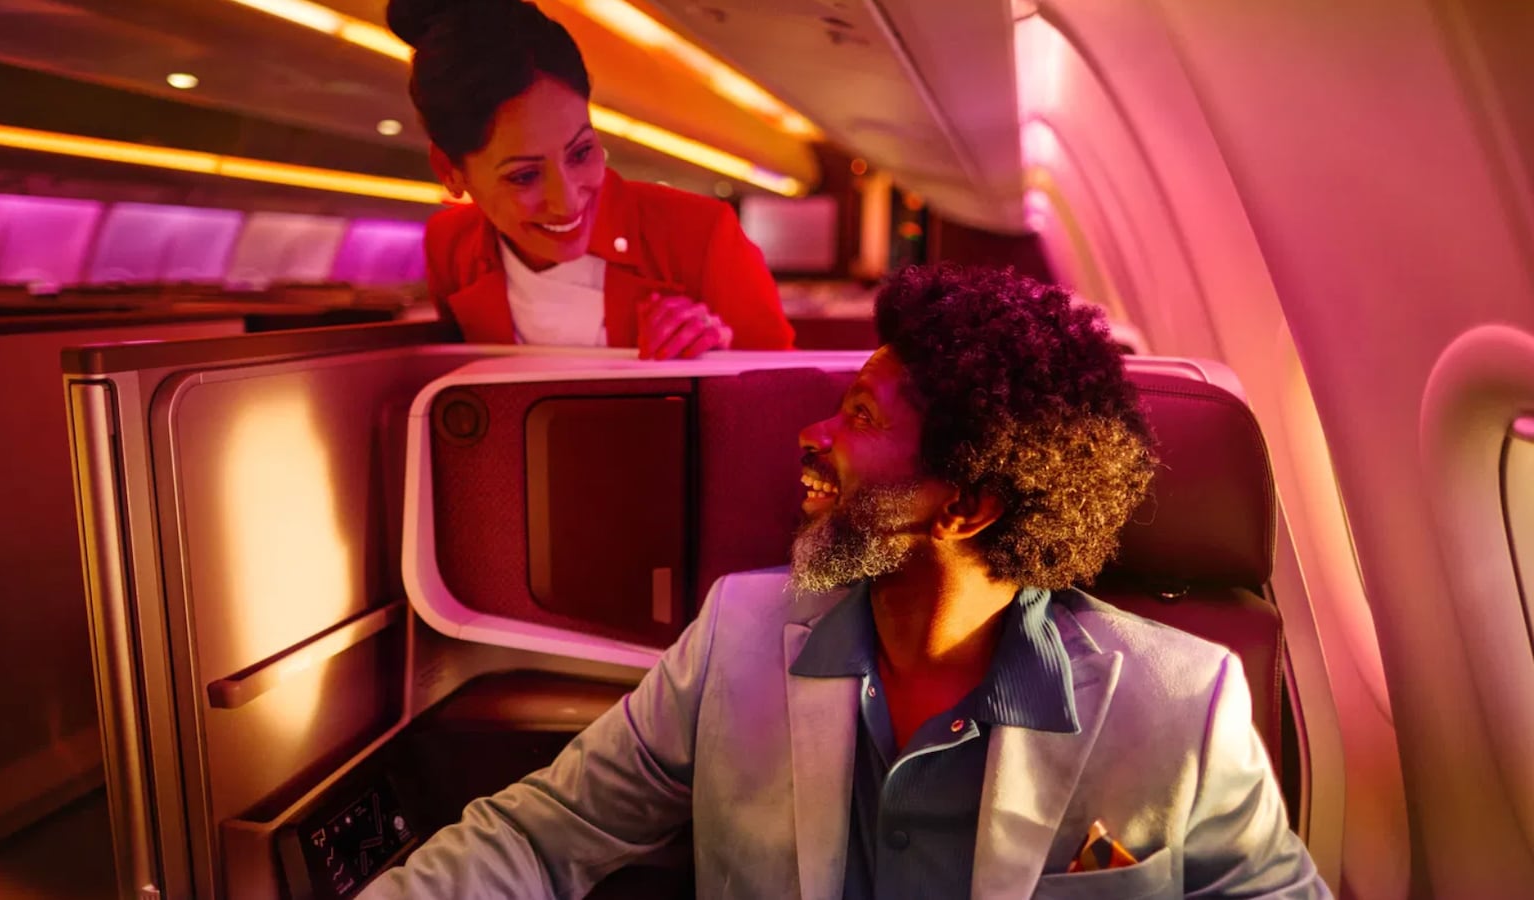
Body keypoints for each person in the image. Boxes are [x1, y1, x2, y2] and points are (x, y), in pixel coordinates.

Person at [361, 265, 1328, 899]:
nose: (812, 435)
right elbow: (541, 836)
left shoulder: (1177, 707)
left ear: (967, 507)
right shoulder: (737, 636)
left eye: (860, 415)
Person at [389, 0, 795, 358]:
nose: (566, 202)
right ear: (449, 171)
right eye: (524, 176)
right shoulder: (450, 247)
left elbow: (785, 402)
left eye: (581, 152)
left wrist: (721, 356)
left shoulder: (703, 236)